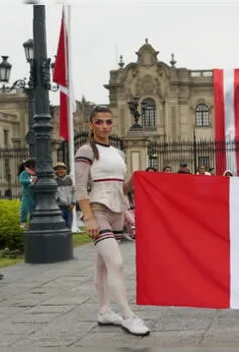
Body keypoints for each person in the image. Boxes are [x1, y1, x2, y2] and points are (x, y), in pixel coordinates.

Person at [74, 105, 150, 336]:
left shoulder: (118, 153)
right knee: (116, 263)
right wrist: (88, 219)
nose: (105, 126)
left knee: (103, 264)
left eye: (108, 122)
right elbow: (79, 187)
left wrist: (135, 181)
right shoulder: (86, 151)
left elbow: (120, 186)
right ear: (91, 125)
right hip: (98, 209)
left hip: (118, 210)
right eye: (99, 122)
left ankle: (105, 311)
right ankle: (127, 315)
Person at [54, 162, 76, 229]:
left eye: (62, 169)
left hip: (69, 207)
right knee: (60, 225)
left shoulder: (69, 179)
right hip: (59, 207)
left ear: (65, 170)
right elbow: (54, 194)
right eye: (58, 169)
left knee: (69, 225)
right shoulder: (54, 180)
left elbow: (74, 192)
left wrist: (73, 202)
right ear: (55, 171)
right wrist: (57, 201)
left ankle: (68, 239)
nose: (60, 171)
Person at [18, 159, 37, 230]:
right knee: (24, 208)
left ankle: (32, 224)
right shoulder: (24, 173)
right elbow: (22, 181)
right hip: (27, 194)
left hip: (34, 194)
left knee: (33, 210)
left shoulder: (35, 173)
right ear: (32, 166)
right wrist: (31, 180)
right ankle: (23, 222)